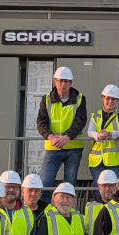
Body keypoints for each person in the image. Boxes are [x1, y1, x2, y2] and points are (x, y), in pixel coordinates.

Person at [36, 66, 87, 203]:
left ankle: (67, 213)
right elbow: (41, 122)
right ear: (55, 81)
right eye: (60, 81)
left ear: (71, 83)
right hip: (52, 148)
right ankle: (44, 213)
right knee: (45, 184)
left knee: (69, 185)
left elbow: (80, 122)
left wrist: (67, 137)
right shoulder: (46, 99)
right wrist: (50, 136)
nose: (63, 84)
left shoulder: (80, 99)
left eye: (66, 81)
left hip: (73, 148)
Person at [87, 84, 119, 198]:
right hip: (97, 161)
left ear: (117, 100)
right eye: (108, 98)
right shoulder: (95, 115)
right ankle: (101, 214)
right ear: (103, 98)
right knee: (100, 191)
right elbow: (90, 132)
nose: (110, 101)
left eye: (113, 99)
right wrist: (98, 135)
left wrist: (110, 134)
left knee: (116, 192)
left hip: (116, 161)